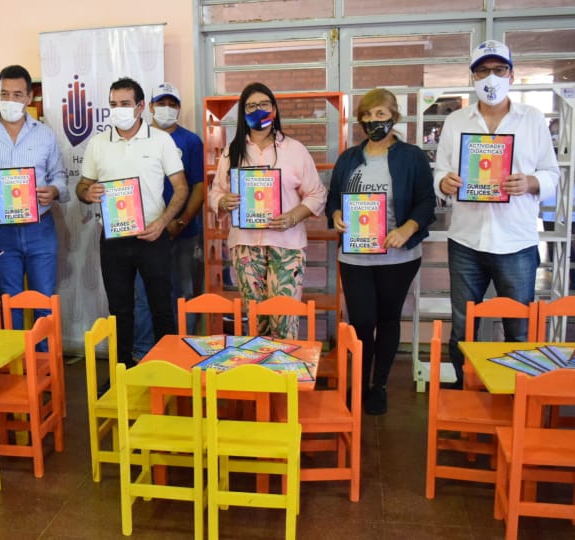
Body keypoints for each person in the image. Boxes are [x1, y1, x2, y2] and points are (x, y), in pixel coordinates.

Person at [434, 40, 559, 387]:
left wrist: (531, 182)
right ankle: (464, 393)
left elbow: (552, 174)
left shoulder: (532, 120)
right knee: (463, 328)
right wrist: (444, 182)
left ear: (512, 75)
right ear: (472, 76)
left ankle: (512, 398)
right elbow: (439, 171)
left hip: (516, 242)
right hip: (466, 241)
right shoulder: (456, 121)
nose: (491, 77)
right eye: (483, 70)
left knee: (518, 329)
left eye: (499, 70)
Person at [327, 88, 436, 415]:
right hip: (355, 256)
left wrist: (408, 228)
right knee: (361, 321)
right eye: (367, 116)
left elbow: (427, 201)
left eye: (380, 114)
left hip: (398, 257)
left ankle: (380, 386)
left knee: (388, 318)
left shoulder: (411, 156)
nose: (373, 121)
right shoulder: (348, 158)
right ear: (360, 119)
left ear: (394, 117)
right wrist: (335, 215)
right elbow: (334, 198)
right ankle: (359, 381)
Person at [76, 77, 188, 371]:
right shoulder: (98, 144)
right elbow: (82, 186)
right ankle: (120, 374)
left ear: (140, 107)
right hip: (113, 239)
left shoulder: (161, 140)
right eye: (113, 104)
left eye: (125, 104)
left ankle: (169, 372)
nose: (118, 110)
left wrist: (163, 223)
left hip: (153, 237)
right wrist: (88, 193)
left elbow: (182, 188)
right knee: (119, 311)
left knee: (162, 308)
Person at [209, 82, 326, 339]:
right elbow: (215, 192)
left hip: (287, 245)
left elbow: (317, 193)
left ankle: (285, 376)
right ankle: (260, 377)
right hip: (245, 246)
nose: (258, 110)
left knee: (284, 319)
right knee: (256, 319)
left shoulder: (295, 150)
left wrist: (294, 216)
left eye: (264, 104)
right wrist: (222, 201)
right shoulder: (232, 151)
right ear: (243, 113)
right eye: (251, 106)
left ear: (274, 108)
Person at [0, 65, 68, 329]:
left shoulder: (44, 133)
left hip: (40, 228)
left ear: (29, 97)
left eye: (17, 94)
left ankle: (45, 368)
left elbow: (59, 176)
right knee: (8, 301)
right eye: (4, 94)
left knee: (42, 300)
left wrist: (54, 191)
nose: (10, 100)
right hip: (0, 230)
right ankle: (17, 365)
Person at [133, 82, 205, 357]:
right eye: (161, 103)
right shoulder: (138, 138)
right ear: (150, 107)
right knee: (143, 296)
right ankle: (145, 353)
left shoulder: (191, 141)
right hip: (145, 232)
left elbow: (198, 186)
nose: (166, 109)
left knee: (181, 292)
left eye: (172, 104)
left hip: (182, 233)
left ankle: (183, 351)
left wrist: (181, 221)